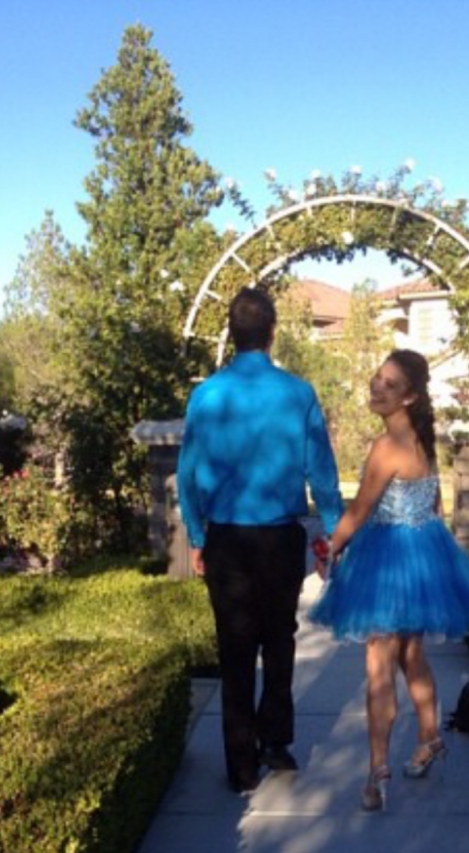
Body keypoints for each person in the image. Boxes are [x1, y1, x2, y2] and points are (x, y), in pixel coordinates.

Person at [177, 286, 342, 794]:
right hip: (278, 540)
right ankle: (276, 742)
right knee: (278, 640)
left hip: (226, 538)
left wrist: (197, 534)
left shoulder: (206, 395)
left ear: (232, 334)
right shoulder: (298, 393)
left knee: (234, 649)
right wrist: (332, 529)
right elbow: (321, 469)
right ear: (271, 333)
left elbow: (188, 474)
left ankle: (240, 765)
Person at [308, 349, 469, 811]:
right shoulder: (422, 439)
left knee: (378, 670)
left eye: (389, 384)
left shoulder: (386, 446)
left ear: (408, 396)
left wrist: (332, 547)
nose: (376, 387)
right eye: (376, 378)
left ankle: (377, 771)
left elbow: (358, 511)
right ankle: (429, 738)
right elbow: (435, 507)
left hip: (389, 562)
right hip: (422, 557)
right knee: (411, 656)